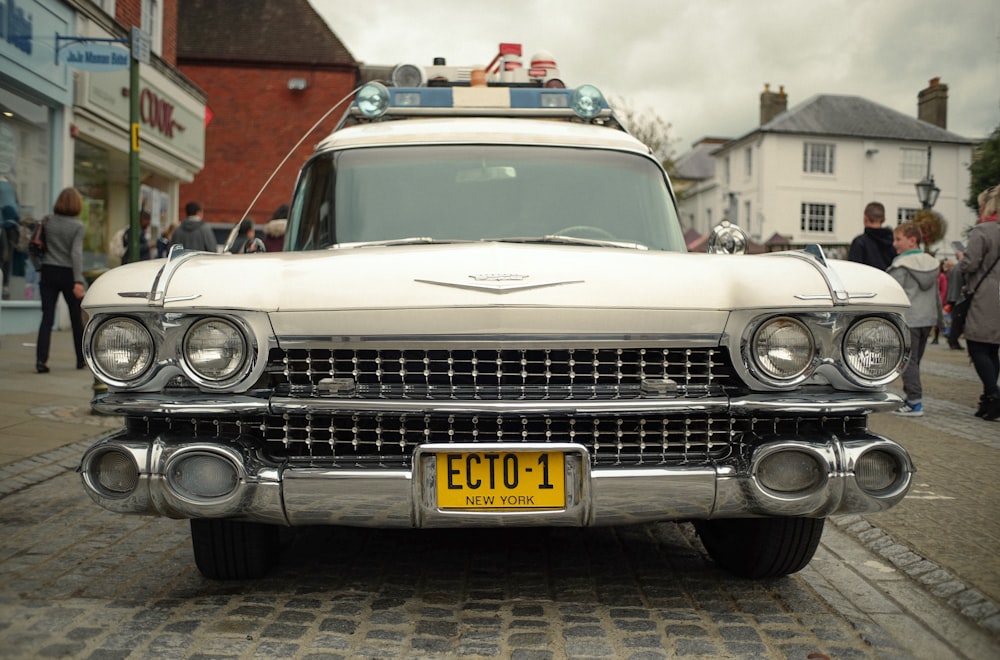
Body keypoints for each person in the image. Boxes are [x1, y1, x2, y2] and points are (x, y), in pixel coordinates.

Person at [887, 221, 942, 416]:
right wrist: (940, 320)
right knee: (915, 361)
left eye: (898, 239)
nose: (894, 243)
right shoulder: (932, 263)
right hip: (927, 319)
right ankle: (912, 397)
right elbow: (936, 296)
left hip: (909, 319)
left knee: (907, 362)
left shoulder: (901, 265)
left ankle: (914, 402)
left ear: (912, 240)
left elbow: (891, 291)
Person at [956, 185, 1000, 420]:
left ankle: (994, 394)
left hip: (985, 294)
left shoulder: (983, 230)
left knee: (977, 345)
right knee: (993, 347)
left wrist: (961, 259)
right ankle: (988, 401)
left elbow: (970, 265)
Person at [35, 187, 86, 373]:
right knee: (75, 318)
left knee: (47, 317)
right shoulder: (78, 226)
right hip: (68, 274)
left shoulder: (48, 221)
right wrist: (78, 280)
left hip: (48, 271)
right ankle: (80, 359)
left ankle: (41, 361)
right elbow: (76, 253)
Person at [847, 201, 896, 270]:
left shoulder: (860, 242)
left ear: (865, 218)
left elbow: (853, 269)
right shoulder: (893, 241)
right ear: (883, 219)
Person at [944, 255, 965, 349]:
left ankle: (952, 338)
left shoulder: (954, 269)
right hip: (958, 298)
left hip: (953, 297)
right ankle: (953, 339)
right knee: (958, 321)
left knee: (956, 320)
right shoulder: (959, 269)